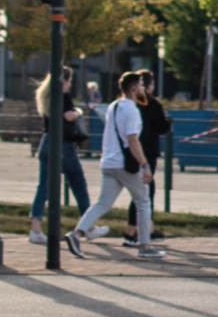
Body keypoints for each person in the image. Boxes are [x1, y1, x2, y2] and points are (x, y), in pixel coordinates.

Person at [70, 70, 164, 259]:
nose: (144, 89)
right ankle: (145, 247)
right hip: (125, 164)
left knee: (103, 203)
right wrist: (145, 166)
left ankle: (76, 234)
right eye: (141, 86)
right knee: (144, 202)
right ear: (133, 88)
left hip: (109, 162)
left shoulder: (113, 106)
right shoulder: (132, 110)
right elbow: (132, 140)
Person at [28, 67, 91, 246]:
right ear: (63, 80)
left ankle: (35, 228)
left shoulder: (46, 97)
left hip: (46, 142)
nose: (70, 83)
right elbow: (69, 115)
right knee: (79, 183)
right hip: (63, 145)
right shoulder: (63, 96)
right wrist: (79, 111)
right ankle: (88, 225)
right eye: (70, 80)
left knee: (44, 186)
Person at [122, 71, 172, 245]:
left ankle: (147, 229)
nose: (146, 88)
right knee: (143, 192)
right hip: (146, 151)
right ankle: (133, 234)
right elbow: (163, 127)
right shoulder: (150, 104)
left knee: (142, 192)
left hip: (129, 152)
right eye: (144, 85)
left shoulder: (124, 105)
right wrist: (168, 121)